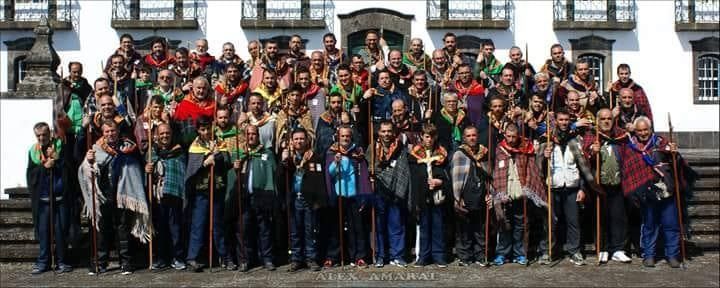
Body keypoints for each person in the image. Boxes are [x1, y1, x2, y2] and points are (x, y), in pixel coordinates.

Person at [620, 116, 696, 268]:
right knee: (650, 225)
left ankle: (672, 255)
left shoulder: (662, 143)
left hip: (666, 190)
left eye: (645, 129)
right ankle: (649, 255)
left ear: (650, 129)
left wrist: (675, 154)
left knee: (671, 224)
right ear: (635, 131)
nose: (643, 133)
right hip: (646, 193)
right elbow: (627, 171)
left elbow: (677, 164)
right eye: (640, 130)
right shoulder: (630, 148)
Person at [78, 120, 151, 275]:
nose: (110, 134)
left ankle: (126, 262)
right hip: (103, 195)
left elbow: (137, 166)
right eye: (107, 131)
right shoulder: (95, 150)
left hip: (123, 194)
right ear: (102, 133)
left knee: (123, 228)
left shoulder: (128, 148)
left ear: (117, 131)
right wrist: (89, 162)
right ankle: (100, 263)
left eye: (113, 131)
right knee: (102, 230)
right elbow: (85, 170)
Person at [537, 109, 599, 266]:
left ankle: (574, 251)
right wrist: (544, 156)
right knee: (550, 222)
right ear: (556, 121)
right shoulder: (547, 140)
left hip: (572, 187)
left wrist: (582, 188)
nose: (564, 122)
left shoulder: (576, 140)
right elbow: (538, 167)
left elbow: (583, 167)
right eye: (561, 120)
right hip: (552, 187)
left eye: (566, 120)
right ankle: (547, 251)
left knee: (573, 221)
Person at [581, 108, 632, 264]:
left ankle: (618, 249)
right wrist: (592, 151)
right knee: (600, 217)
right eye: (602, 119)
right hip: (599, 186)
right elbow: (584, 157)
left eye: (609, 118)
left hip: (617, 184)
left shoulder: (621, 136)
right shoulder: (592, 136)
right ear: (598, 120)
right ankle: (602, 248)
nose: (606, 121)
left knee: (618, 217)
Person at [492, 124, 547, 266]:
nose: (511, 139)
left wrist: (527, 187)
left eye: (513, 136)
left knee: (521, 225)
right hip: (504, 193)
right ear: (504, 135)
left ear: (518, 135)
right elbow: (495, 172)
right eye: (508, 136)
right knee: (504, 225)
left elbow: (531, 170)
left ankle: (520, 253)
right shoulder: (498, 149)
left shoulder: (525, 148)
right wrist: (498, 192)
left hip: (520, 193)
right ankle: (502, 254)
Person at [184, 116, 233, 272]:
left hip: (217, 189)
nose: (206, 132)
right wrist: (205, 161)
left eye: (208, 129)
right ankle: (192, 258)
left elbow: (226, 164)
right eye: (202, 129)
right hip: (202, 191)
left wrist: (217, 155)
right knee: (198, 224)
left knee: (218, 224)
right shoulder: (195, 146)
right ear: (198, 130)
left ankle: (225, 256)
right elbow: (192, 170)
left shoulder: (219, 143)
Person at [324, 125, 373, 268]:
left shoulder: (357, 153)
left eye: (347, 136)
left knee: (356, 228)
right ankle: (333, 256)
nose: (345, 139)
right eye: (342, 136)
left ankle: (359, 256)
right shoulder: (332, 152)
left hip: (354, 195)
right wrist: (335, 163)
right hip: (338, 195)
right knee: (335, 228)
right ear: (338, 137)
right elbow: (330, 174)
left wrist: (364, 194)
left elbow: (363, 174)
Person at [279, 128, 327, 272]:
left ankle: (311, 258)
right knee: (295, 232)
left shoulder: (313, 157)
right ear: (292, 141)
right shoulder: (289, 158)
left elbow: (319, 180)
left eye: (301, 138)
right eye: (296, 139)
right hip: (294, 199)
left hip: (309, 200)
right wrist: (283, 162)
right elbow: (280, 180)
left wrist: (319, 200)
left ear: (306, 140)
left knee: (309, 230)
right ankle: (296, 259)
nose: (299, 141)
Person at [28, 123, 72, 274]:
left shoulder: (60, 146)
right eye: (38, 135)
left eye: (44, 135)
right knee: (43, 232)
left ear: (49, 134)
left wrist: (57, 160)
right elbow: (30, 175)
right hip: (43, 199)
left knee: (60, 231)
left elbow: (69, 168)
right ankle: (43, 262)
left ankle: (62, 261)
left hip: (59, 198)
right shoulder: (33, 151)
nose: (41, 138)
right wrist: (43, 167)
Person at [233, 124, 279, 271]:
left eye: (253, 134)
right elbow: (233, 176)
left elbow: (273, 173)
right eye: (248, 134)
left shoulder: (266, 153)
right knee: (244, 230)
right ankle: (245, 260)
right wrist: (236, 168)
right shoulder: (240, 154)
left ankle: (267, 259)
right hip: (244, 196)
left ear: (258, 136)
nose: (250, 136)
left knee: (264, 229)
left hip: (262, 197)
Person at [144, 123, 187, 270]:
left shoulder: (179, 150)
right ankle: (161, 258)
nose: (165, 136)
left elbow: (182, 170)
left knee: (175, 228)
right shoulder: (152, 151)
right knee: (160, 228)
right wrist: (148, 169)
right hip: (157, 195)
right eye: (161, 134)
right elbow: (147, 170)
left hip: (174, 192)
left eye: (167, 133)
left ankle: (178, 257)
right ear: (157, 135)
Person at [371, 120, 411, 268]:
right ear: (379, 133)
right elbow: (370, 168)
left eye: (389, 131)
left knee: (396, 225)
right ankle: (381, 255)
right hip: (379, 192)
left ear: (393, 132)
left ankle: (398, 255)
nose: (386, 134)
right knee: (379, 226)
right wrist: (372, 176)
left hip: (395, 192)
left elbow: (404, 170)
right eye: (383, 131)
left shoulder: (400, 148)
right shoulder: (372, 147)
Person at [409, 124, 449, 268]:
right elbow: (414, 176)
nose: (429, 140)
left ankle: (439, 255)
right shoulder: (415, 153)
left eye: (432, 136)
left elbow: (446, 174)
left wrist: (439, 181)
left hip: (437, 195)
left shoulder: (441, 153)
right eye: (426, 136)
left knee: (438, 226)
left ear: (436, 137)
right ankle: (424, 256)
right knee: (424, 226)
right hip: (422, 195)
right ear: (422, 136)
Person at [450, 126, 491, 266]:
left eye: (474, 135)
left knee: (479, 229)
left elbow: (488, 176)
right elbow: (456, 177)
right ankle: (465, 257)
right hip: (465, 196)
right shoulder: (459, 154)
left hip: (480, 196)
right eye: (468, 136)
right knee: (464, 230)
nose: (472, 138)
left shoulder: (484, 152)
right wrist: (457, 197)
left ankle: (480, 256)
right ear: (464, 138)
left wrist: (488, 192)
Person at [275, 84, 315, 153]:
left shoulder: (305, 113)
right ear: (288, 96)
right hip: (286, 148)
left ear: (301, 97)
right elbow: (279, 132)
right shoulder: (283, 113)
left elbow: (310, 133)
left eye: (297, 95)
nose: (295, 98)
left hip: (302, 147)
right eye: (292, 95)